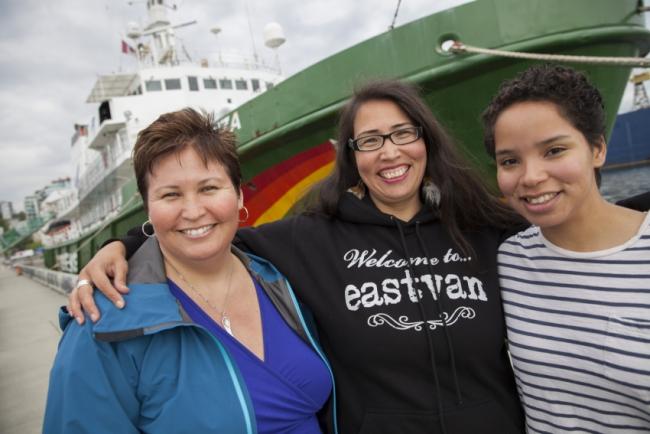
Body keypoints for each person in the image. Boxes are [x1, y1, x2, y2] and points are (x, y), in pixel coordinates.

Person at [69, 80, 529, 433]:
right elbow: (201, 234)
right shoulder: (307, 240)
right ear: (351, 155)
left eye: (403, 133)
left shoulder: (486, 231)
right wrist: (123, 245)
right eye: (369, 140)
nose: (389, 152)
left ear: (426, 140)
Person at [43, 108, 334, 434]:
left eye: (209, 188)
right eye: (170, 195)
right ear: (148, 208)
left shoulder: (277, 278)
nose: (194, 211)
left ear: (238, 194)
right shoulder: (103, 322)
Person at [482, 64, 650, 432]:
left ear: (597, 149)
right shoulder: (508, 261)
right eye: (510, 160)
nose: (531, 177)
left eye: (554, 150)